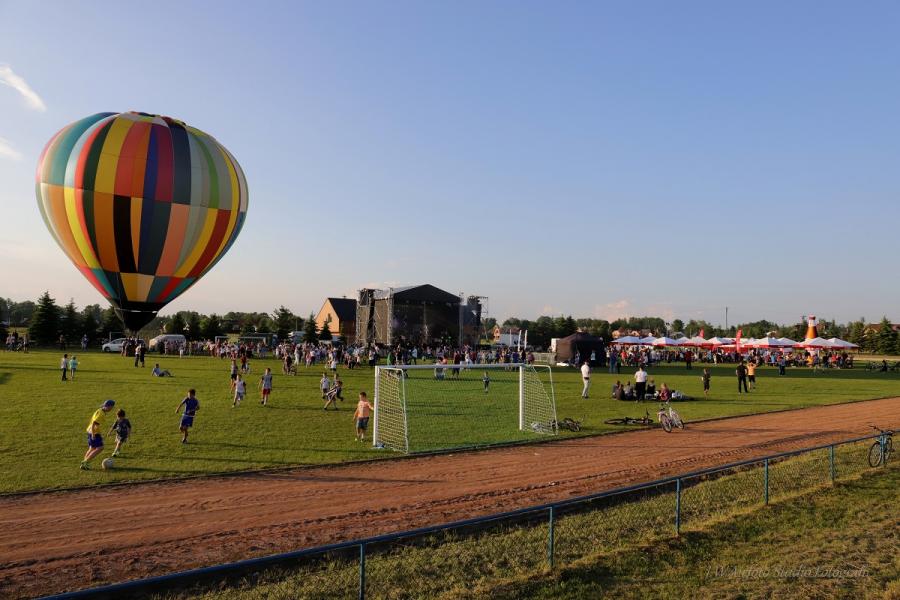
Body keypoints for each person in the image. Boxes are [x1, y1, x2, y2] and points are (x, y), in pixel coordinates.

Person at [81, 399, 115, 469]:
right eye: (112, 407)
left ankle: (84, 463)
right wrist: (93, 434)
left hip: (90, 431)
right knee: (100, 448)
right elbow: (94, 423)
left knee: (92, 448)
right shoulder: (101, 414)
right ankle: (86, 462)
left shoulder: (99, 410)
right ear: (109, 406)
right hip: (94, 432)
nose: (111, 409)